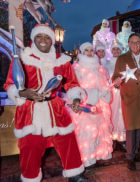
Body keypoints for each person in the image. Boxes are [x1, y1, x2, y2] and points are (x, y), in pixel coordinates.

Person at [4, 24, 89, 182]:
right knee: (30, 147)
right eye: (39, 36)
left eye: (47, 37)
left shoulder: (61, 60)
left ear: (52, 41)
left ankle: (75, 174)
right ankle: (30, 178)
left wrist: (76, 98)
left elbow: (72, 83)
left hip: (55, 107)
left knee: (67, 141)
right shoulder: (22, 58)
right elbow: (10, 83)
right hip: (30, 110)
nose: (43, 40)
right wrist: (21, 92)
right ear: (33, 39)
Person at [112, 33, 140, 170]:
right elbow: (115, 77)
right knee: (130, 126)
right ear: (128, 44)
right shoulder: (122, 58)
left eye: (137, 42)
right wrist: (116, 82)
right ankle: (130, 156)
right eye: (132, 42)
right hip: (129, 96)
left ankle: (135, 153)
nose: (135, 44)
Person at [70, 42, 112, 168]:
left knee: (100, 131)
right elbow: (74, 87)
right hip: (85, 106)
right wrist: (91, 95)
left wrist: (105, 91)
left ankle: (98, 154)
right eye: (86, 50)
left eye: (91, 50)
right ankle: (87, 158)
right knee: (87, 132)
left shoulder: (101, 69)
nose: (89, 53)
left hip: (100, 106)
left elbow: (105, 84)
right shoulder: (77, 68)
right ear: (82, 53)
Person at [103, 40, 126, 150]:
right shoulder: (107, 65)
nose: (116, 51)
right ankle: (112, 137)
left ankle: (122, 136)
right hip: (112, 94)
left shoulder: (125, 64)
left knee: (122, 114)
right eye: (114, 49)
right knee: (112, 114)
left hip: (122, 92)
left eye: (118, 49)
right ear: (111, 51)